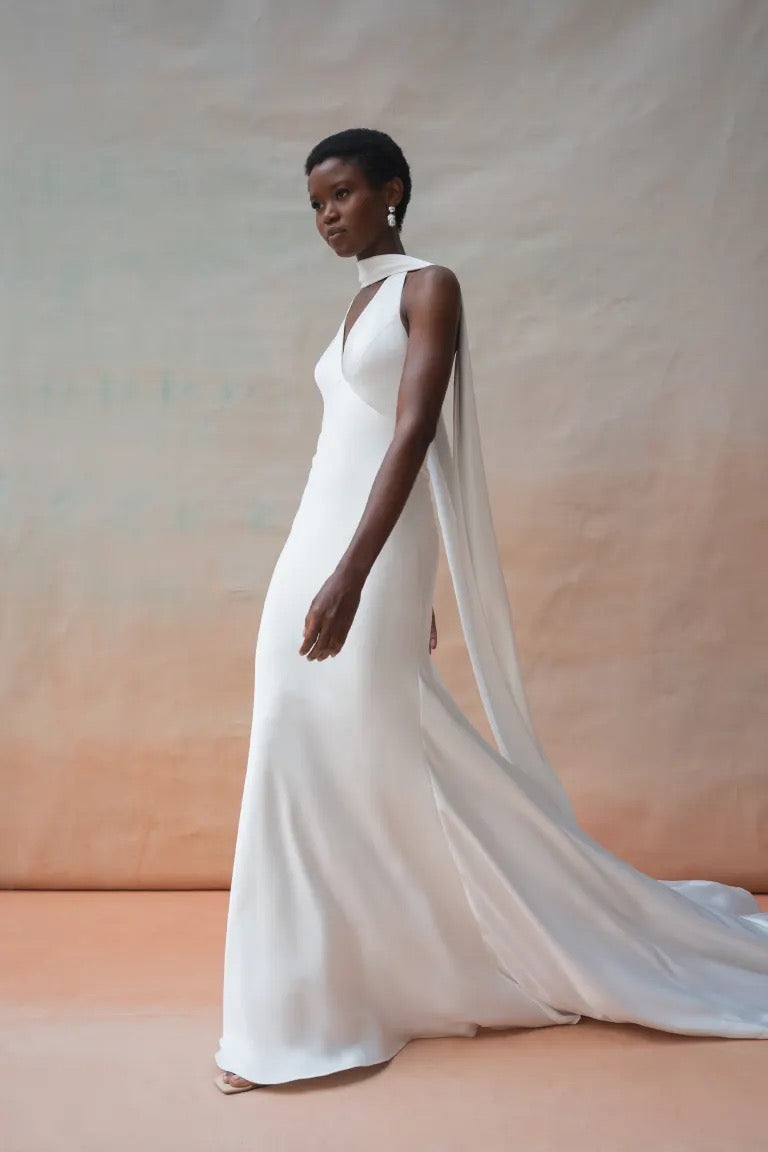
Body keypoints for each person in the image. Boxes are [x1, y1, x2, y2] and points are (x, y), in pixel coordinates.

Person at [214, 128, 768, 1094]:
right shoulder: (359, 301)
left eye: (341, 194)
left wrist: (362, 574)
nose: (326, 216)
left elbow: (415, 431)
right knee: (312, 744)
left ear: (392, 189)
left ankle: (308, 1014)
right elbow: (343, 446)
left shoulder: (431, 285)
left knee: (326, 750)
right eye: (313, 204)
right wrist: (354, 568)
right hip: (321, 540)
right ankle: (335, 987)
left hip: (359, 555)